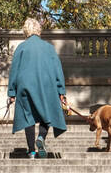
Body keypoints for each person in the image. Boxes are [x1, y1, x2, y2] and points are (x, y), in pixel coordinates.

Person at [7, 17, 68, 157]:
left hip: (25, 86)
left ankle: (31, 151)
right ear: (38, 30)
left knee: (27, 116)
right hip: (47, 85)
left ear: (26, 31)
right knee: (47, 113)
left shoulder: (21, 47)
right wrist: (61, 91)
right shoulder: (49, 47)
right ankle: (41, 137)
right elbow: (58, 70)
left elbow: (14, 70)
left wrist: (11, 92)